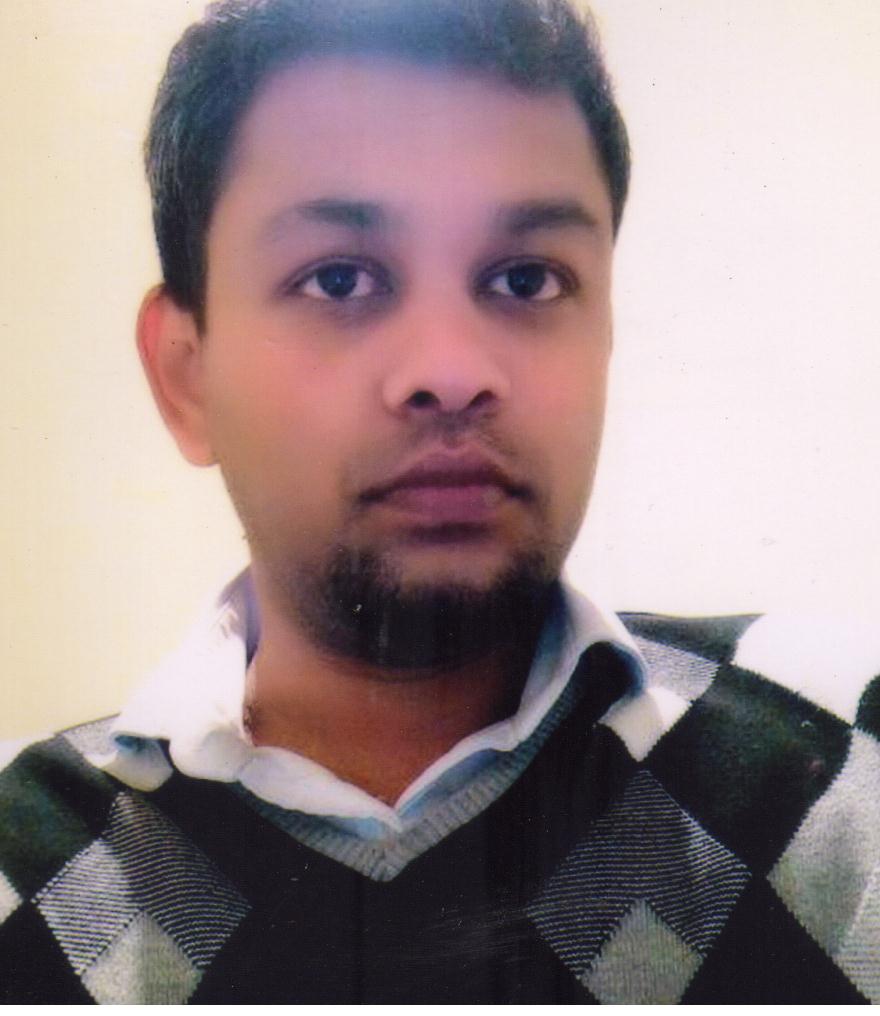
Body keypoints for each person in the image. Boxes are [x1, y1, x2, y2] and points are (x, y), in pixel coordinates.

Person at [1, 0, 878, 1003]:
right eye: (339, 279)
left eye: (526, 278)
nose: (452, 370)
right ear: (186, 376)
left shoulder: (843, 764)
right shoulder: (23, 874)